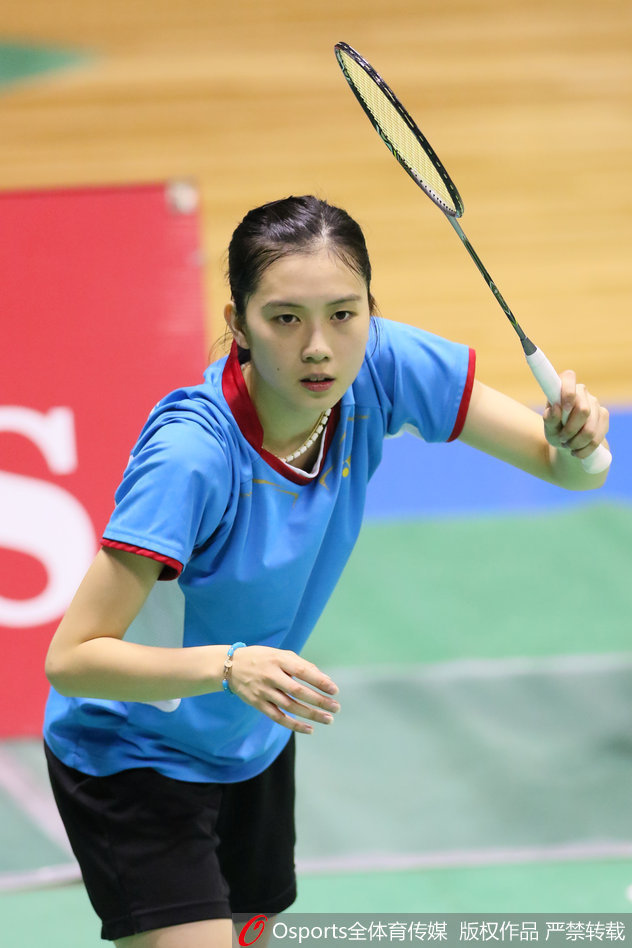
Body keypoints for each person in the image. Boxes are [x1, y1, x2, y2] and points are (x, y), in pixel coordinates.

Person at [43, 195, 610, 947]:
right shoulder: (192, 459)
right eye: (285, 318)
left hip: (249, 741)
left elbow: (566, 470)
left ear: (371, 310)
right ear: (238, 323)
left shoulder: (382, 366)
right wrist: (230, 666)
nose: (319, 347)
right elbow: (73, 659)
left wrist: (577, 442)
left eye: (343, 314)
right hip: (133, 754)